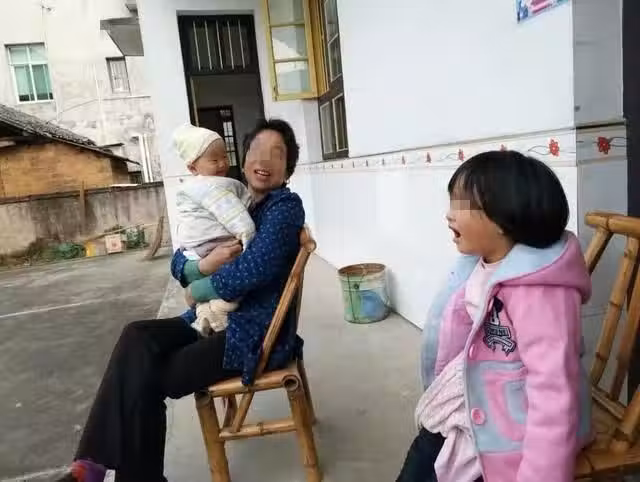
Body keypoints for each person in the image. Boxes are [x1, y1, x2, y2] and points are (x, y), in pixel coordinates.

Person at [57, 118, 305, 482]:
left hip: (253, 333)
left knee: (148, 376)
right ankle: (91, 465)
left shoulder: (284, 208)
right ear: (244, 157)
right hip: (210, 319)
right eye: (256, 150)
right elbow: (182, 252)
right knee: (137, 336)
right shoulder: (233, 198)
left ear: (288, 168)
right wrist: (199, 267)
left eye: (276, 154)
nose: (264, 160)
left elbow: (253, 270)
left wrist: (198, 288)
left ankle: (111, 473)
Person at [396, 151, 592, 482]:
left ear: (502, 220)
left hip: (508, 429)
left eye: (461, 206)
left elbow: (553, 394)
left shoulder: (540, 293)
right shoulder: (482, 263)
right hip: (469, 402)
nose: (448, 215)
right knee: (422, 457)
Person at [173, 123, 256, 334]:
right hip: (211, 246)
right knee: (229, 295)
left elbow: (254, 271)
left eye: (225, 157)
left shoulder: (194, 187)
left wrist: (194, 289)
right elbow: (236, 217)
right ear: (192, 168)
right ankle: (216, 317)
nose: (222, 164)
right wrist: (248, 238)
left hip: (195, 250)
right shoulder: (212, 187)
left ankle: (204, 320)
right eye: (214, 160)